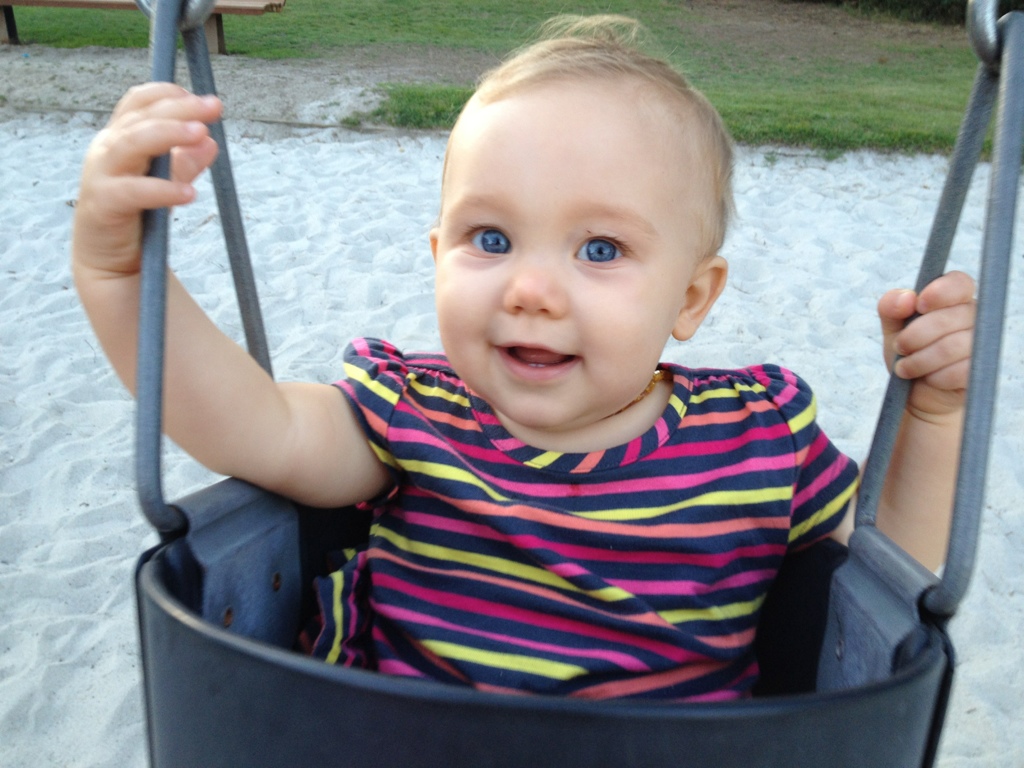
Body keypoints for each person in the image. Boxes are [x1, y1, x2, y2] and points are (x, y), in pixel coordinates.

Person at [72, 16, 975, 701]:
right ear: (438, 257)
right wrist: (119, 275)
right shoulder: (414, 414)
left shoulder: (757, 439)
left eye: (600, 250)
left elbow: (889, 584)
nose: (531, 289)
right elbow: (255, 426)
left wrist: (934, 415)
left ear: (692, 298)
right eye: (492, 238)